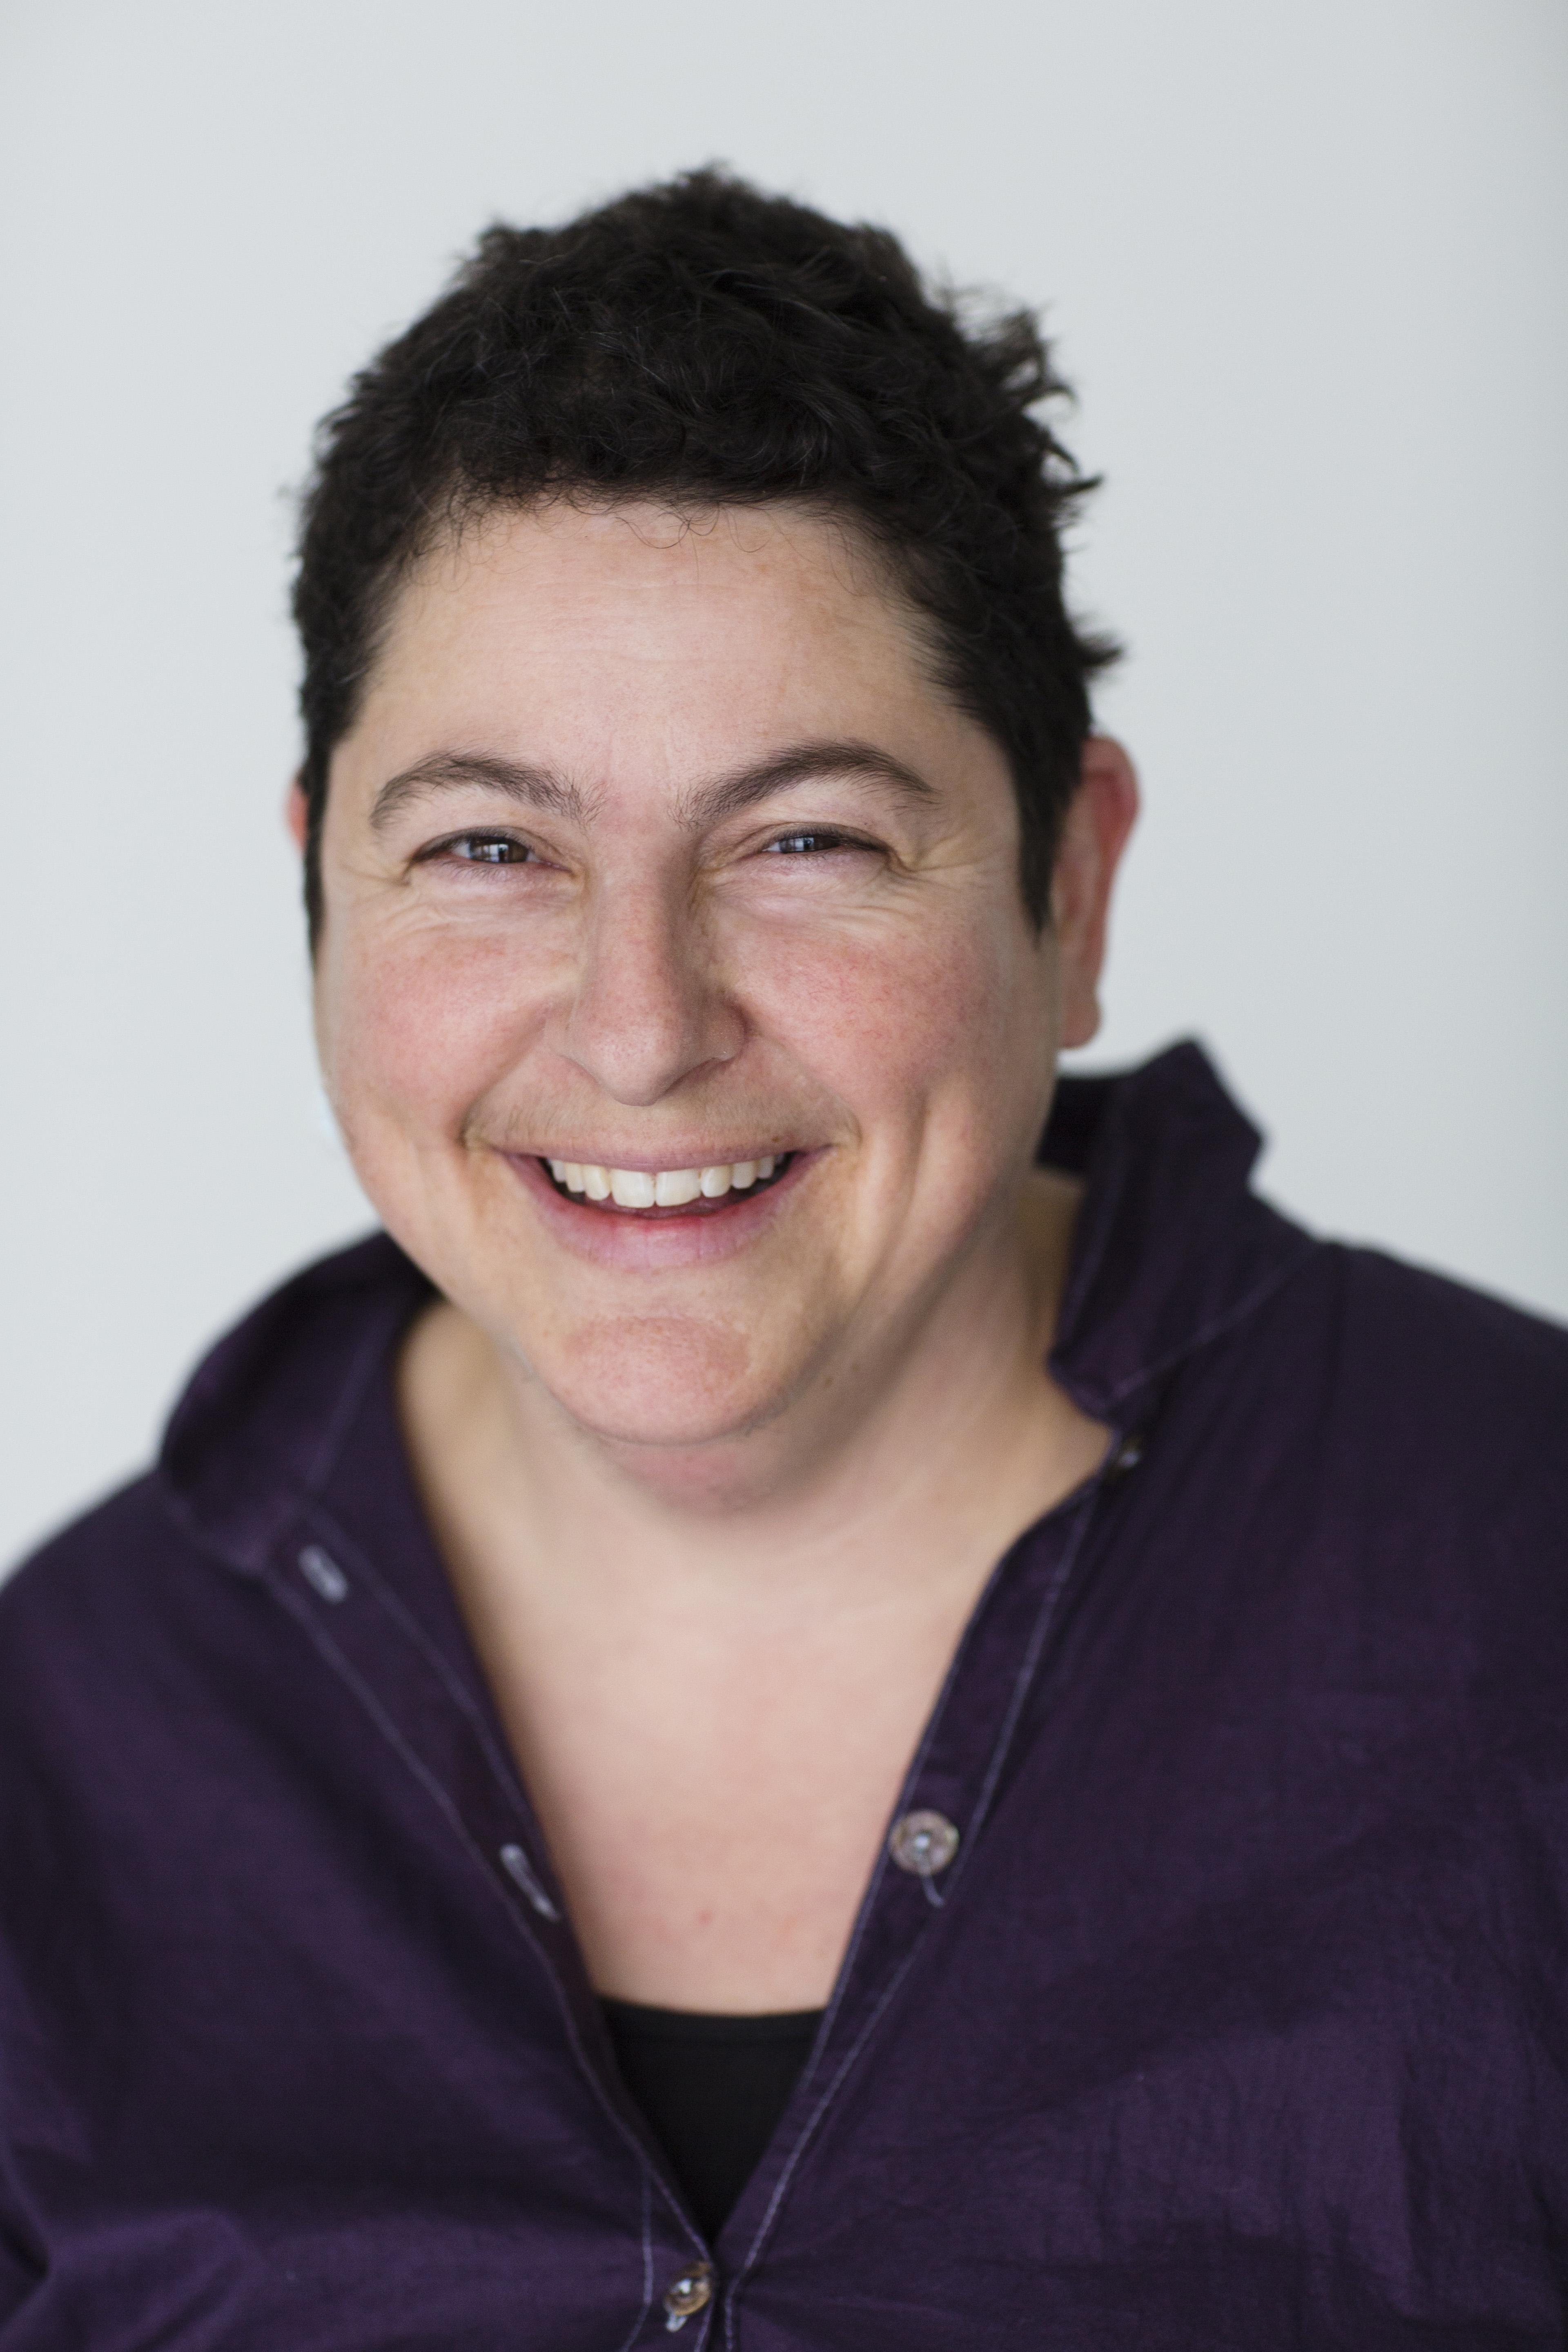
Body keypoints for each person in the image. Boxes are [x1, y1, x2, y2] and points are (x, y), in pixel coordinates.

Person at [1, 169, 1565, 2350]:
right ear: (321, 895)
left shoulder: (1524, 1577)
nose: (643, 1027)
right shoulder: (56, 1744)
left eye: (810, 839)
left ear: (1072, 890)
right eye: (485, 848)